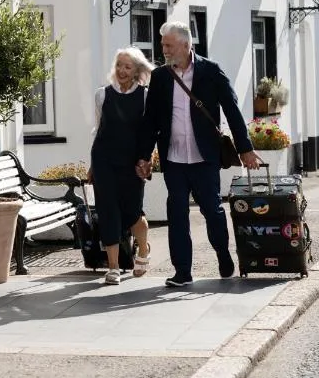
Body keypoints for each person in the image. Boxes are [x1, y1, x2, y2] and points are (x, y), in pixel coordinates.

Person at [136, 21, 262, 287]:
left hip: (205, 156)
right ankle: (183, 271)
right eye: (162, 45)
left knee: (212, 210)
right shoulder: (160, 77)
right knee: (177, 212)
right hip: (173, 158)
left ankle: (223, 254)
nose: (164, 50)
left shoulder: (210, 71)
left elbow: (232, 110)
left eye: (168, 45)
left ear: (185, 44)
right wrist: (144, 156)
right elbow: (150, 121)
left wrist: (246, 148)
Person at [87, 47, 155, 285]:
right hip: (104, 160)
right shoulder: (102, 95)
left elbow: (149, 132)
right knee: (107, 212)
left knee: (132, 213)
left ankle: (143, 250)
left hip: (132, 162)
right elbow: (98, 130)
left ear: (136, 70)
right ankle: (113, 267)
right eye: (119, 65)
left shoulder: (146, 96)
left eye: (127, 66)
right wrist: (92, 166)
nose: (122, 71)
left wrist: (147, 158)